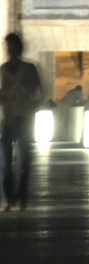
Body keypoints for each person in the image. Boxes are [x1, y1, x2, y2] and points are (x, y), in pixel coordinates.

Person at [0, 33, 44, 212]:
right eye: (7, 47)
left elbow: (40, 92)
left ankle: (21, 199)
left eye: (12, 46)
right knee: (5, 164)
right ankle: (8, 199)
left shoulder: (30, 69)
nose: (9, 50)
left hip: (25, 119)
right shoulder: (2, 69)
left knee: (23, 163)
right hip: (7, 120)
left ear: (19, 48)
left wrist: (31, 107)